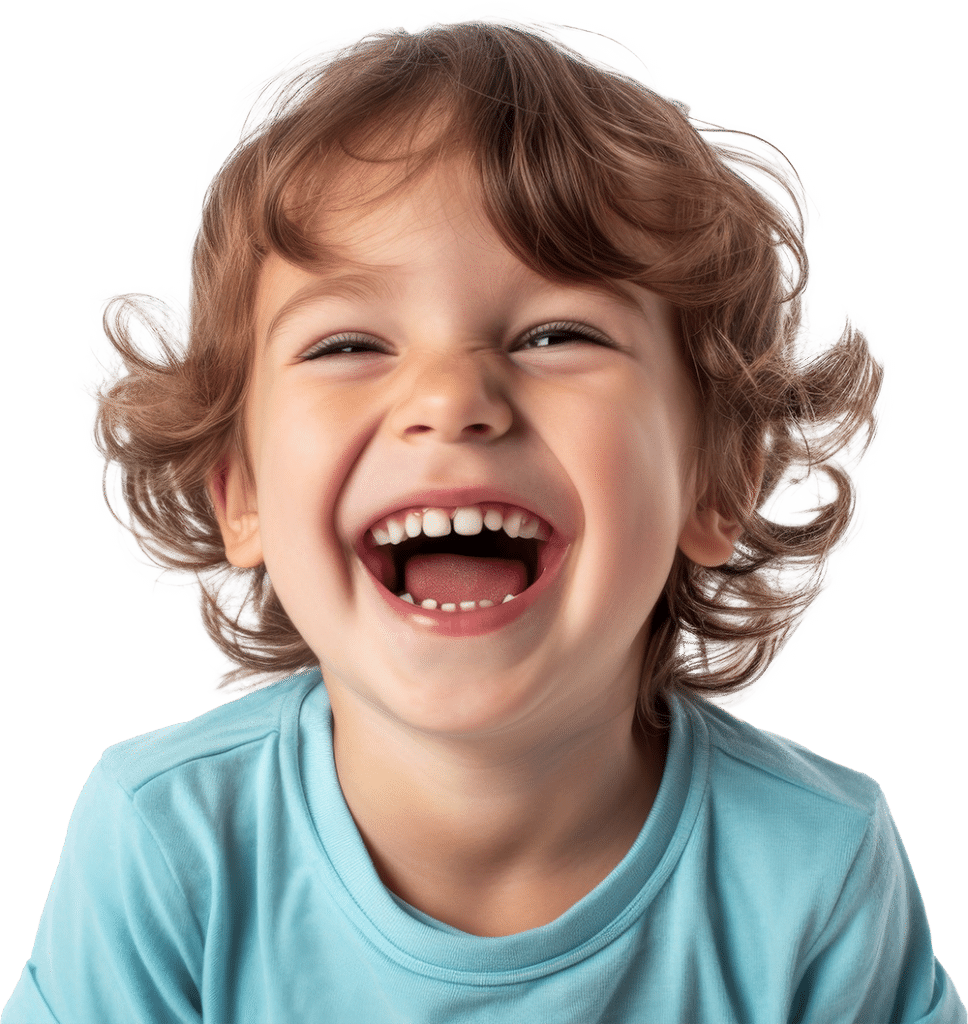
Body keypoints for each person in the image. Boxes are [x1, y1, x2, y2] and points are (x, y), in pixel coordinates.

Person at [3, 4, 964, 1021]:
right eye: (347, 344)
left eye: (555, 334)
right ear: (238, 494)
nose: (449, 400)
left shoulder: (815, 865)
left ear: (713, 480)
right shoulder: (166, 842)